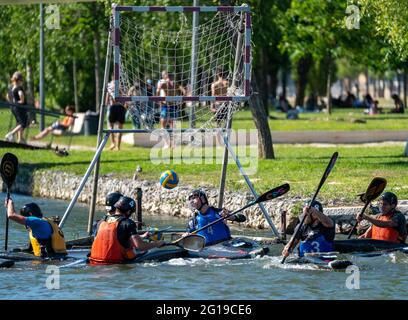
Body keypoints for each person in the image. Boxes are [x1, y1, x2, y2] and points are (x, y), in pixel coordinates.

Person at [89, 196, 164, 265]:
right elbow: (140, 246)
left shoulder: (100, 222)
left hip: (94, 262)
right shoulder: (128, 223)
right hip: (115, 263)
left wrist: (141, 237)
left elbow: (111, 239)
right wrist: (157, 244)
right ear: (128, 212)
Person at [5, 71, 29, 144]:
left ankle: (20, 139)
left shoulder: (11, 88)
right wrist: (21, 101)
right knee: (23, 123)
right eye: (22, 80)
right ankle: (11, 134)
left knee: (19, 122)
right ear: (20, 80)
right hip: (20, 108)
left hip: (13, 108)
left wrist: (11, 102)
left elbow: (7, 96)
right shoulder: (19, 87)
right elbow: (20, 93)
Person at [106, 74, 127, 151]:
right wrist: (105, 104)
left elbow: (124, 95)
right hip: (113, 107)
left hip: (119, 107)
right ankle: (113, 144)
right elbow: (107, 95)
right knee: (111, 127)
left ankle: (117, 146)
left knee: (119, 128)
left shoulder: (121, 85)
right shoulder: (110, 85)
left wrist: (125, 105)